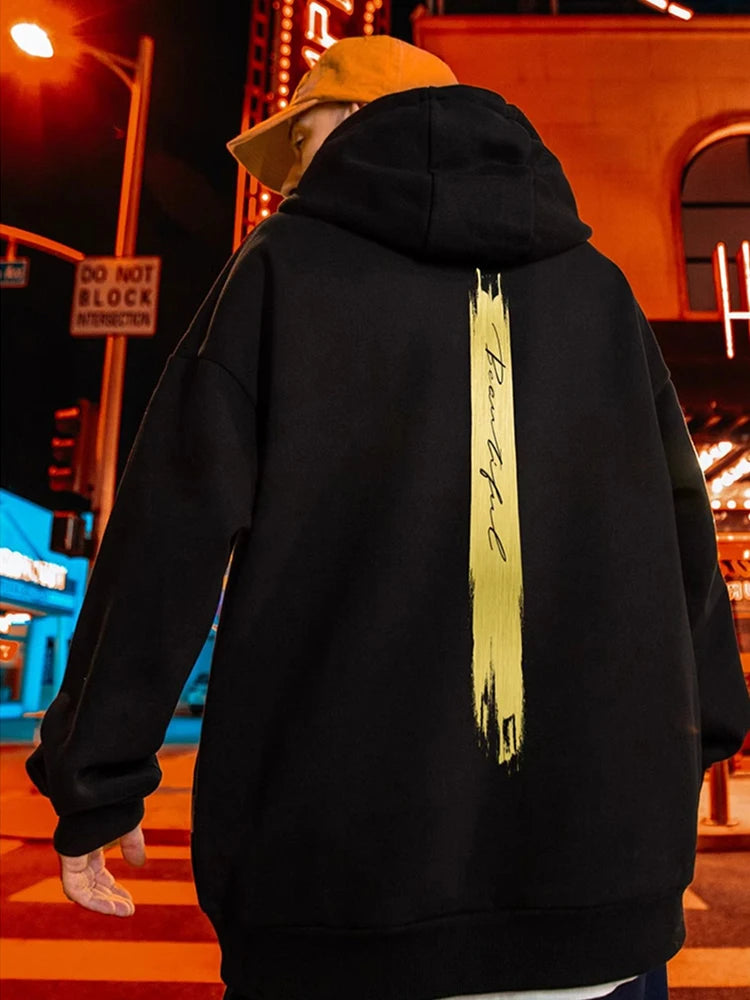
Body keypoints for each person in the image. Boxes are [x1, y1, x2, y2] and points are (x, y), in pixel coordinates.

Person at [27, 34, 749, 1000]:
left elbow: (166, 539)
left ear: (360, 124)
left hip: (337, 899)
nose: (292, 179)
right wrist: (704, 729)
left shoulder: (280, 272)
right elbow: (683, 534)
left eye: (302, 140)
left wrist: (96, 773)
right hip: (600, 894)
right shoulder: (600, 290)